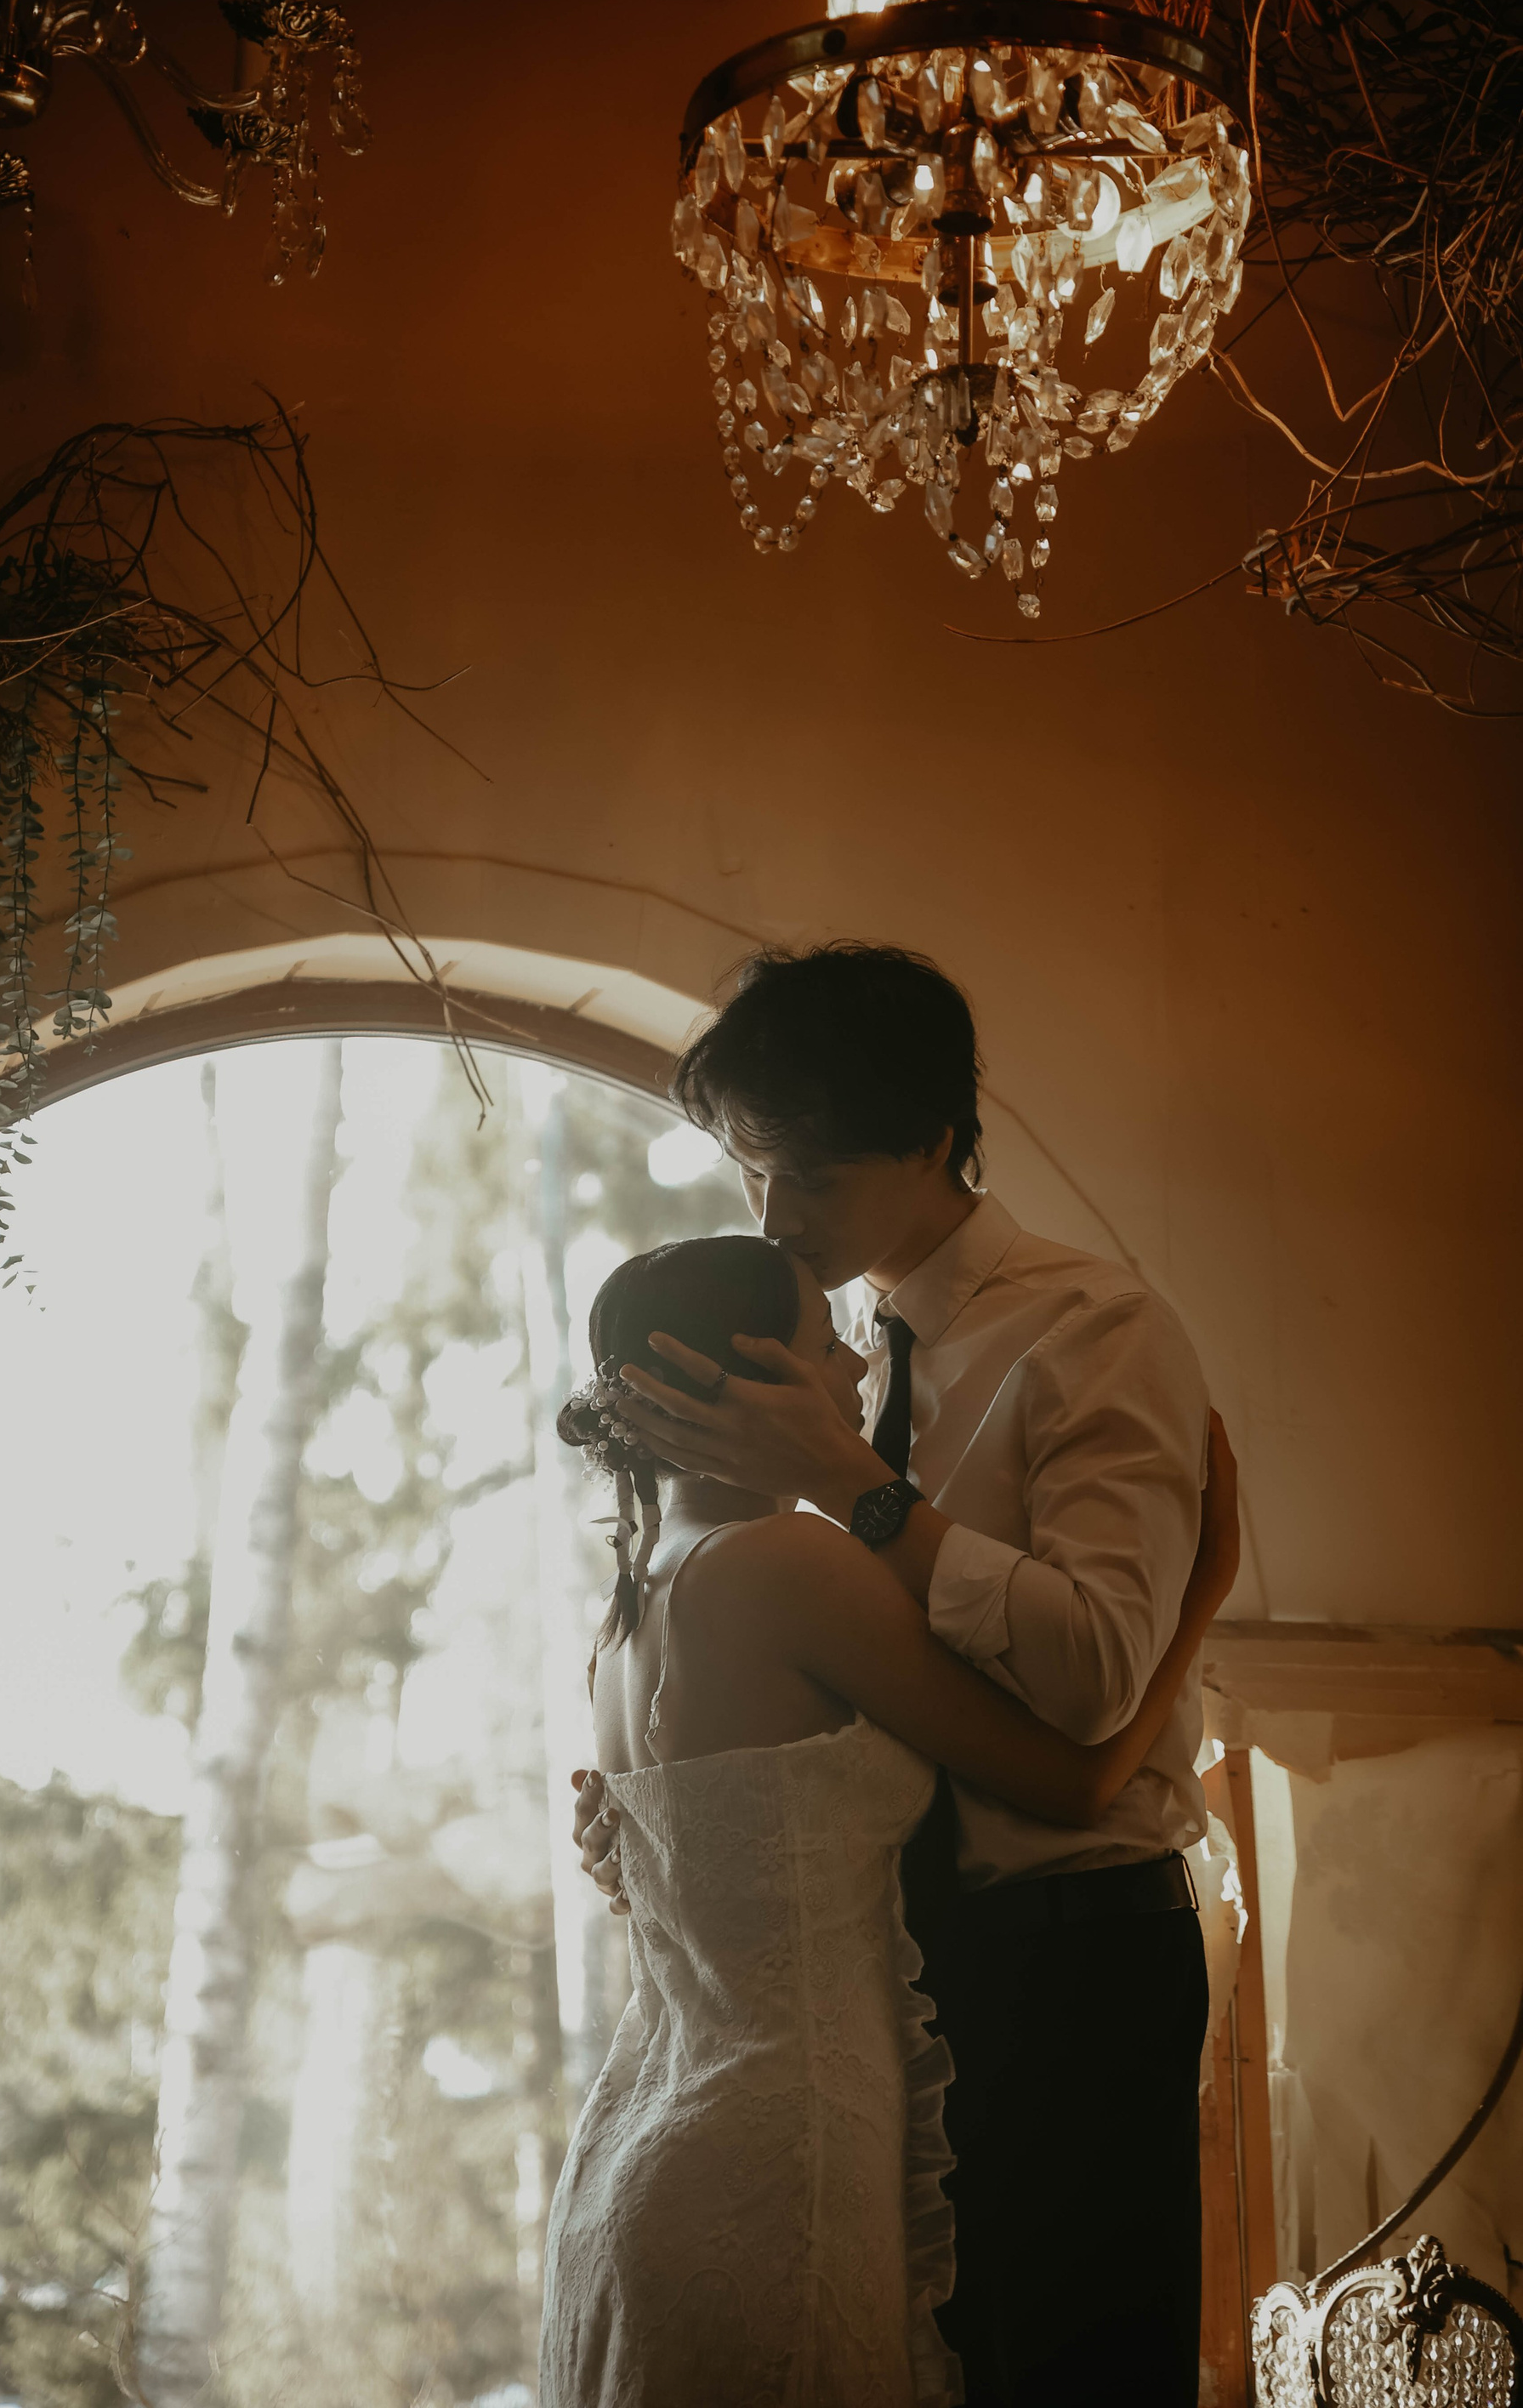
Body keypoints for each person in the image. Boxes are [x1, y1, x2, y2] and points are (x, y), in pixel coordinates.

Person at [577, 942, 1218, 2408]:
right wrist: (664, 1823)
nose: (776, 1217)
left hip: (1068, 1960)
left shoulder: (1093, 1333)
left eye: (811, 1174)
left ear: (933, 1138)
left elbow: (1094, 1679)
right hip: (881, 1986)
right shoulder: (829, 1353)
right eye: (753, 1172)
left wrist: (855, 1484)